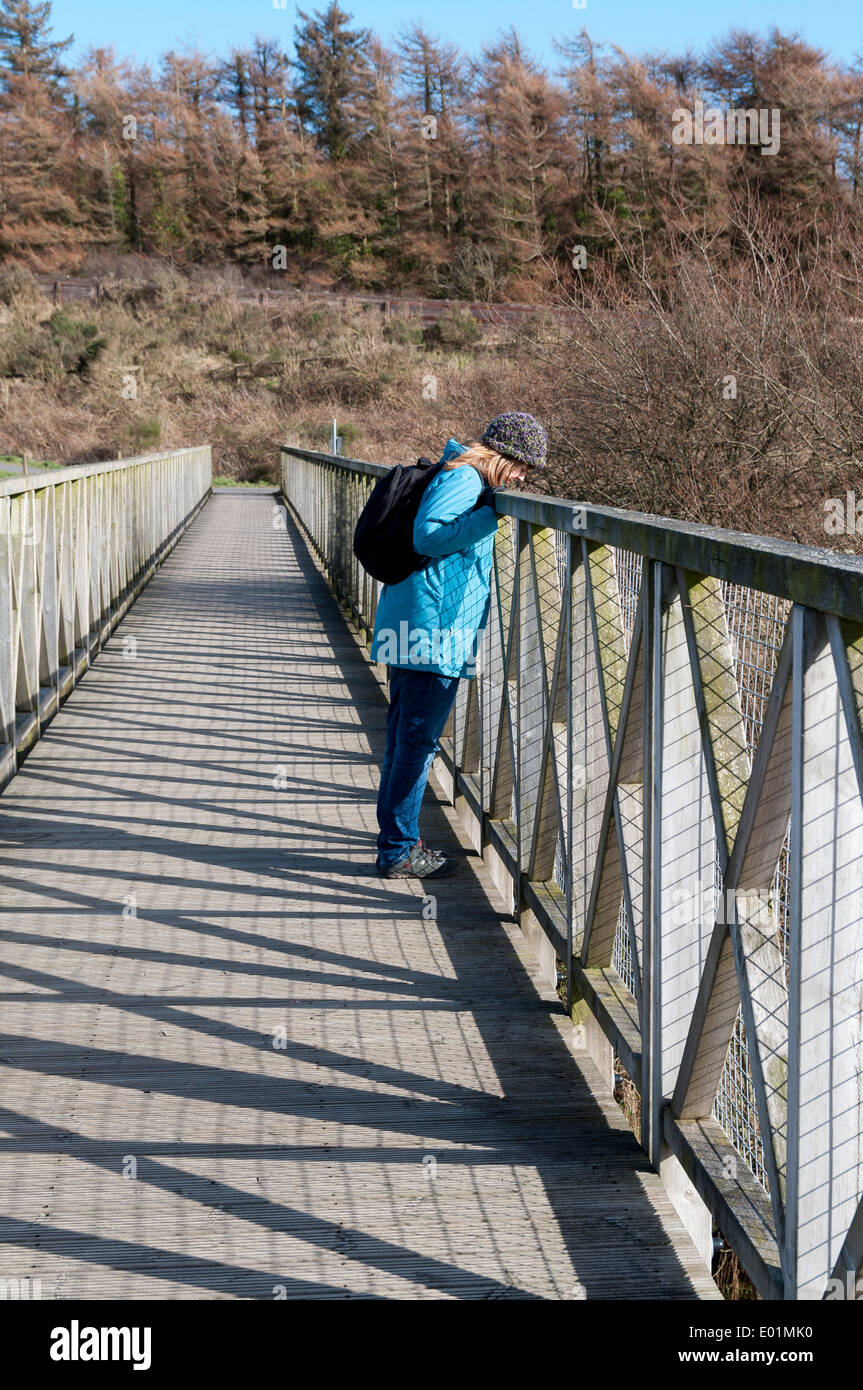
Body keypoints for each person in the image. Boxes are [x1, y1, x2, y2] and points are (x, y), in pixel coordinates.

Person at [371, 412, 548, 879]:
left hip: (420, 624)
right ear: (501, 456)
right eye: (523, 466)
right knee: (416, 743)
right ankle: (397, 850)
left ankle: (397, 841)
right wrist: (489, 517)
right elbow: (426, 535)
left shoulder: (462, 476)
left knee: (405, 739)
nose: (524, 477)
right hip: (432, 633)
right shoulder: (466, 480)